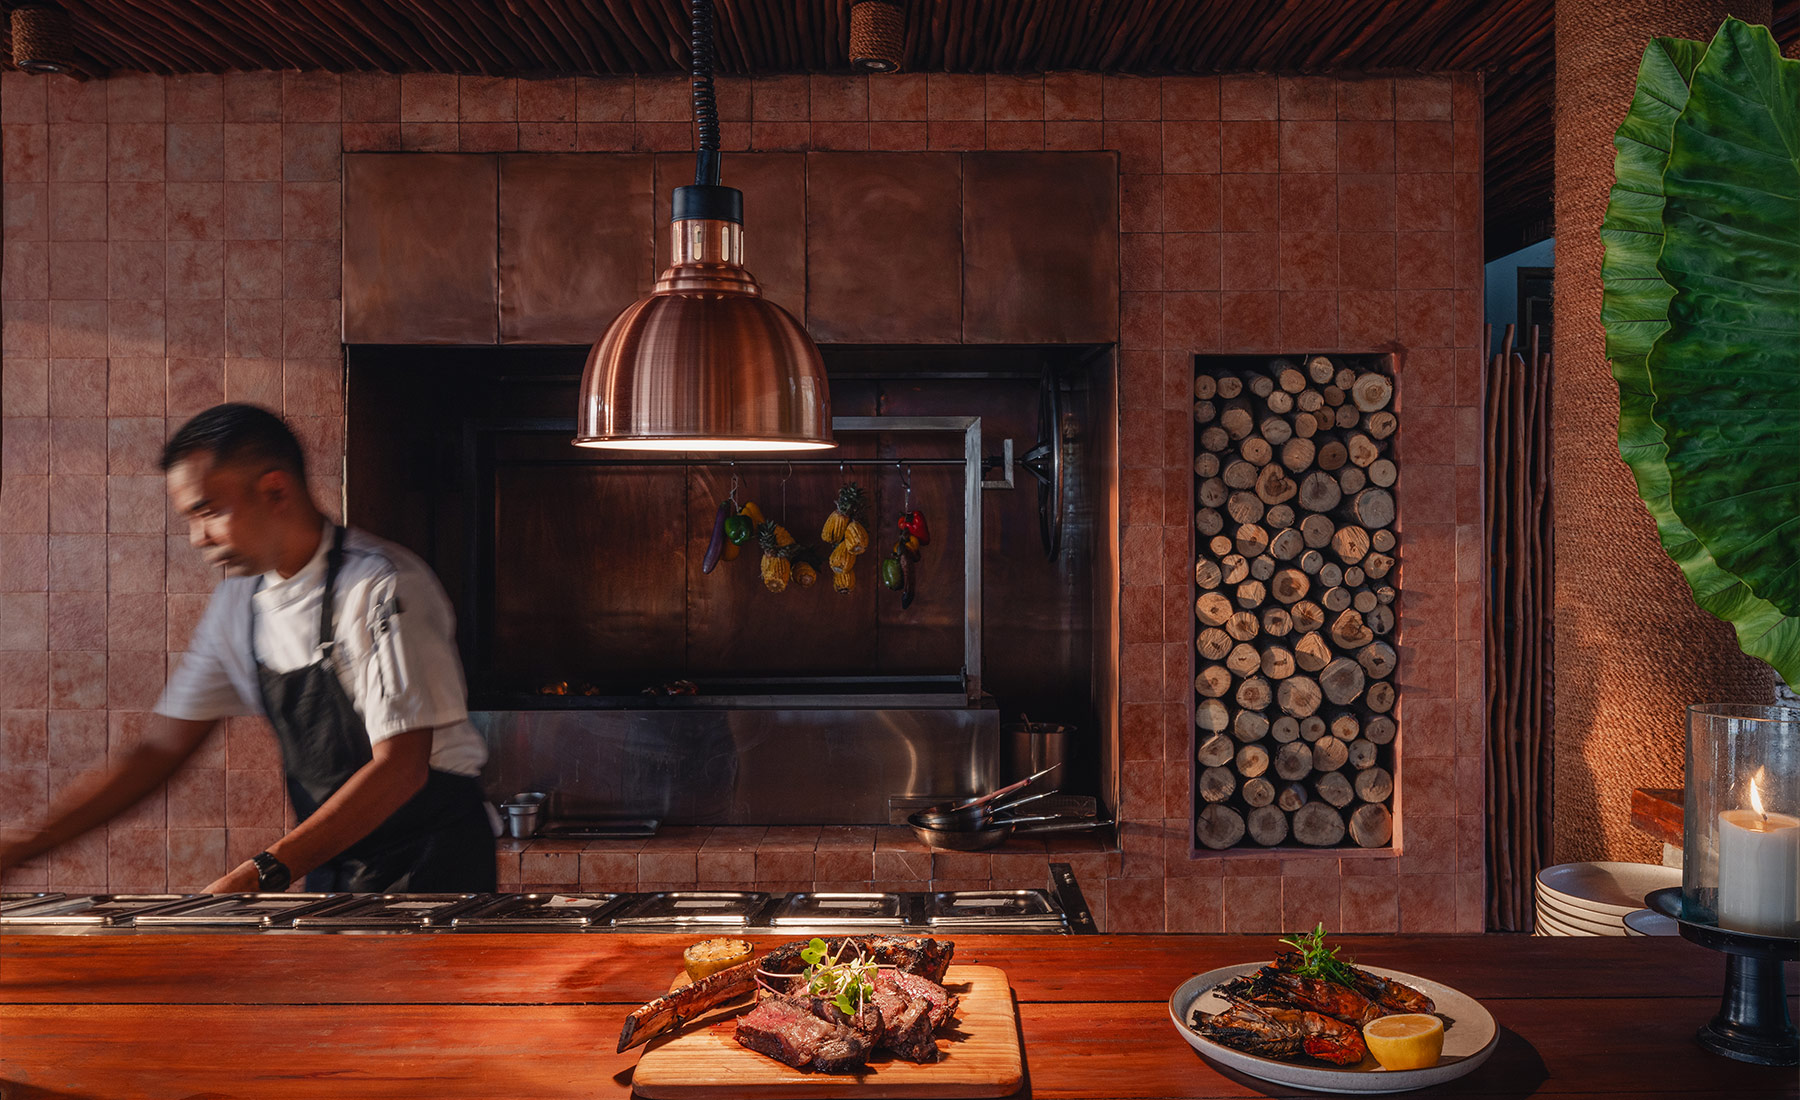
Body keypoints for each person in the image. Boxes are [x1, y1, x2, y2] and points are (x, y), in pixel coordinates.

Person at [0, 404, 496, 894]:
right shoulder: (238, 604)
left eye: (208, 511)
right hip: (334, 870)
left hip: (435, 872)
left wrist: (262, 873)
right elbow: (158, 751)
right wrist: (22, 846)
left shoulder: (380, 584)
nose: (198, 538)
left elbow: (401, 768)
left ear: (275, 489)